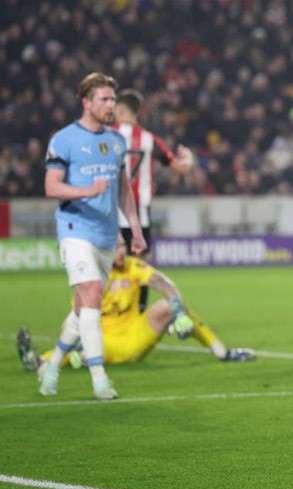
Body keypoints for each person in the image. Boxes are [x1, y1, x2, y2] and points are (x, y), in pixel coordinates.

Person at [42, 72, 145, 400]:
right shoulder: (64, 139)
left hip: (105, 234)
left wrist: (135, 228)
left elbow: (123, 190)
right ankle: (99, 378)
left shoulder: (116, 142)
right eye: (104, 99)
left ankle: (52, 364)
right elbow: (51, 186)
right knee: (91, 292)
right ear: (86, 102)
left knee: (83, 308)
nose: (111, 105)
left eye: (113, 99)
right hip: (74, 229)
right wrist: (88, 190)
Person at [16, 237, 255, 371]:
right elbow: (76, 317)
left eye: (122, 245)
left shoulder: (132, 266)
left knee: (169, 306)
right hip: (104, 341)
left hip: (135, 335)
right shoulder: (92, 275)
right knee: (82, 344)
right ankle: (38, 362)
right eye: (117, 246)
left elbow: (163, 283)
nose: (123, 250)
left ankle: (222, 352)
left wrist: (178, 310)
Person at [113, 89, 196, 310]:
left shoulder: (105, 134)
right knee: (140, 264)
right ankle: (138, 309)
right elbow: (181, 168)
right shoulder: (150, 140)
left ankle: (110, 308)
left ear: (120, 110)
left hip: (110, 211)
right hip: (140, 213)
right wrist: (189, 157)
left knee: (110, 261)